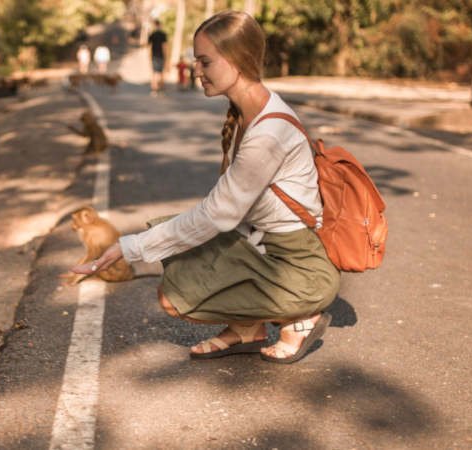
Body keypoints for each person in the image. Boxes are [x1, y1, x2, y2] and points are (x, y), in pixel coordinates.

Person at [72, 10, 340, 364]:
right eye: (195, 60)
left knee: (176, 294)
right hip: (261, 246)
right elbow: (221, 215)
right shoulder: (247, 113)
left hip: (298, 267)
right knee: (169, 235)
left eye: (204, 61)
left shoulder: (268, 133)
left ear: (238, 60)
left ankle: (300, 317)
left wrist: (129, 247)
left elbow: (217, 215)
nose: (195, 70)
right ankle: (247, 328)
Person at [147, 19, 168, 95]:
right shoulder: (163, 34)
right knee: (162, 73)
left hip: (154, 56)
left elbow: (148, 46)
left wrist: (149, 56)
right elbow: (164, 46)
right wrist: (166, 57)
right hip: (161, 56)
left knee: (154, 73)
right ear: (160, 25)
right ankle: (161, 90)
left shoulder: (152, 34)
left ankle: (154, 90)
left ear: (155, 25)